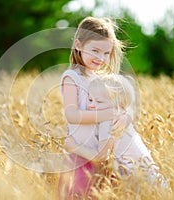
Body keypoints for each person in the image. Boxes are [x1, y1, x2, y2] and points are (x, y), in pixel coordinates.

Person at [58, 16, 132, 199]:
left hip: (103, 154)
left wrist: (124, 117)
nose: (101, 58)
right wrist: (106, 114)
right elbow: (72, 115)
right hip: (80, 156)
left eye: (106, 53)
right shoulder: (71, 77)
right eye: (95, 50)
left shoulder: (102, 80)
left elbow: (121, 106)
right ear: (78, 45)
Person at [87, 74, 171, 193]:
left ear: (119, 104)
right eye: (90, 99)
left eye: (99, 101)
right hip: (152, 180)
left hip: (142, 184)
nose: (91, 105)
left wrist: (76, 148)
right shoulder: (120, 114)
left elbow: (100, 156)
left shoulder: (109, 121)